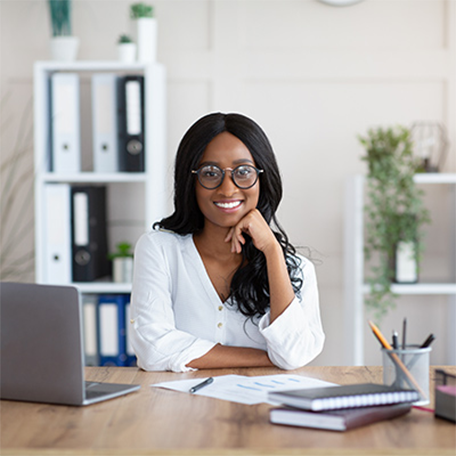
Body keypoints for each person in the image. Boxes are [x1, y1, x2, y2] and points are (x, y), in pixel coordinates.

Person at [130, 112, 324, 372]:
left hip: (261, 410)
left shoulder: (297, 269)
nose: (228, 189)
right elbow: (153, 349)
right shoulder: (160, 250)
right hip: (181, 410)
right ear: (191, 182)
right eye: (210, 173)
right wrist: (267, 358)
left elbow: (295, 353)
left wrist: (272, 251)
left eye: (243, 172)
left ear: (263, 179)